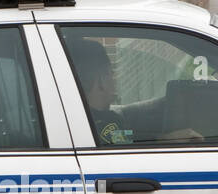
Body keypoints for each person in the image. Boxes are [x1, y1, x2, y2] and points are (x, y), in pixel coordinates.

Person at [70, 39, 202, 145]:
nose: (114, 79)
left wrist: (162, 137)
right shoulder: (107, 124)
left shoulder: (78, 117)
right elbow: (127, 143)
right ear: (102, 80)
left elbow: (132, 137)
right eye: (111, 73)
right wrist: (167, 139)